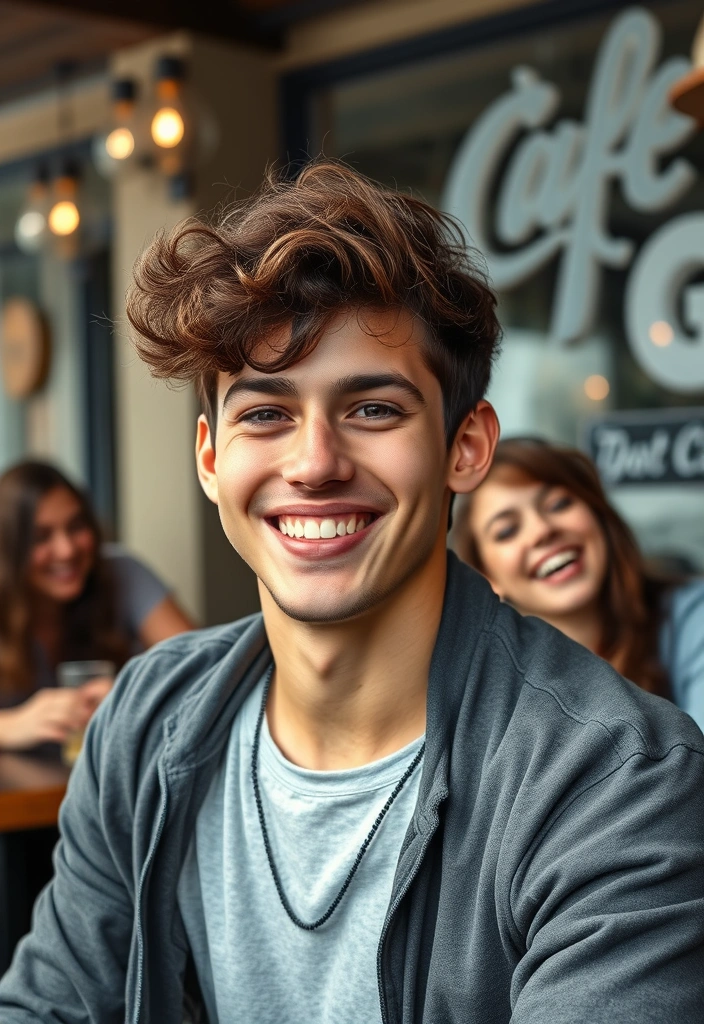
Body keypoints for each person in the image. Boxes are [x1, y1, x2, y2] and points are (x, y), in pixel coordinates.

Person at [1, 162, 703, 1023]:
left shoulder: (616, 783)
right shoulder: (146, 724)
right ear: (211, 459)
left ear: (466, 446)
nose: (314, 463)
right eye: (265, 413)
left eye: (372, 409)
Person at [449, 436, 704, 731]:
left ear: (597, 514)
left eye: (558, 504)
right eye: (507, 531)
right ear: (485, 576)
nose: (542, 530)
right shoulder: (484, 698)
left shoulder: (691, 619)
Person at [0, 460, 194, 751]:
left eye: (76, 526)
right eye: (41, 537)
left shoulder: (121, 573)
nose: (66, 550)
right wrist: (15, 724)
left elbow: (203, 667)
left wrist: (131, 696)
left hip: (116, 772)